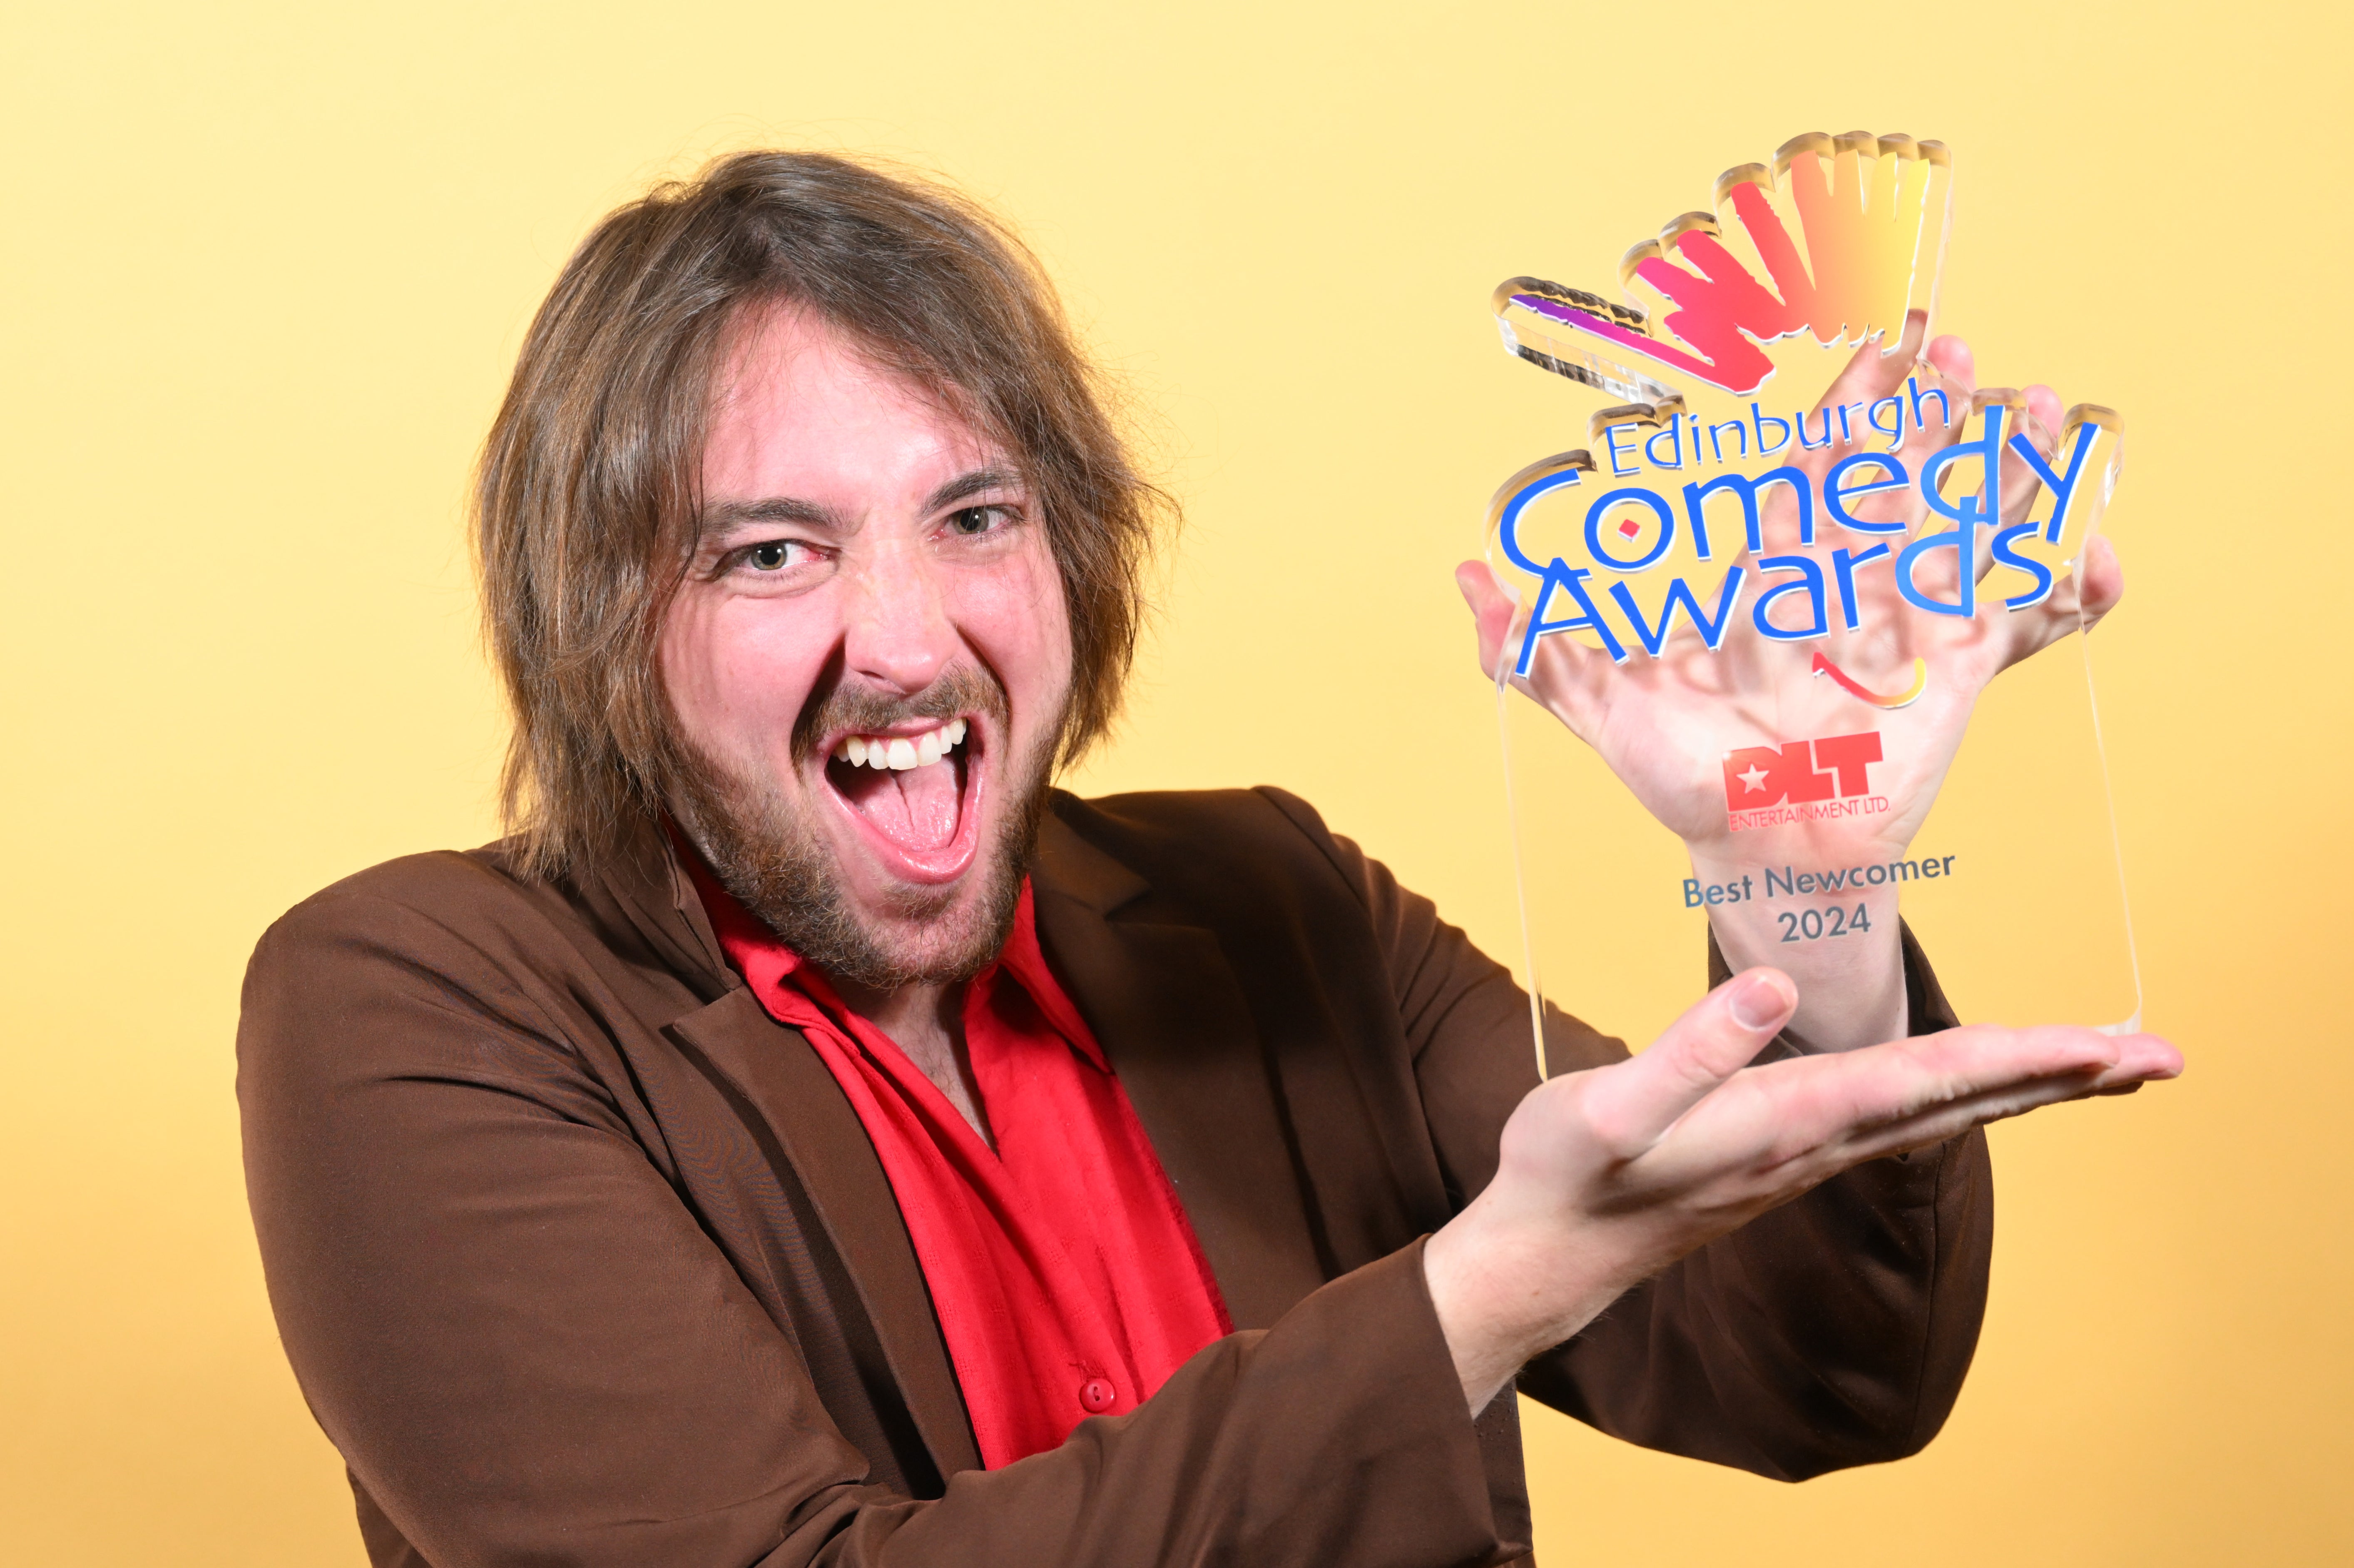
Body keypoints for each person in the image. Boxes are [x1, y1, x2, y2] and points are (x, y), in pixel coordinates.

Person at [236, 150, 2180, 1568]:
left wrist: (1800, 877)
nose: (907, 640)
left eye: (976, 517)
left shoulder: (1272, 908)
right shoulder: (413, 1001)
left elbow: (1822, 1378)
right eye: (772, 551)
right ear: (600, 617)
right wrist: (1483, 1293)